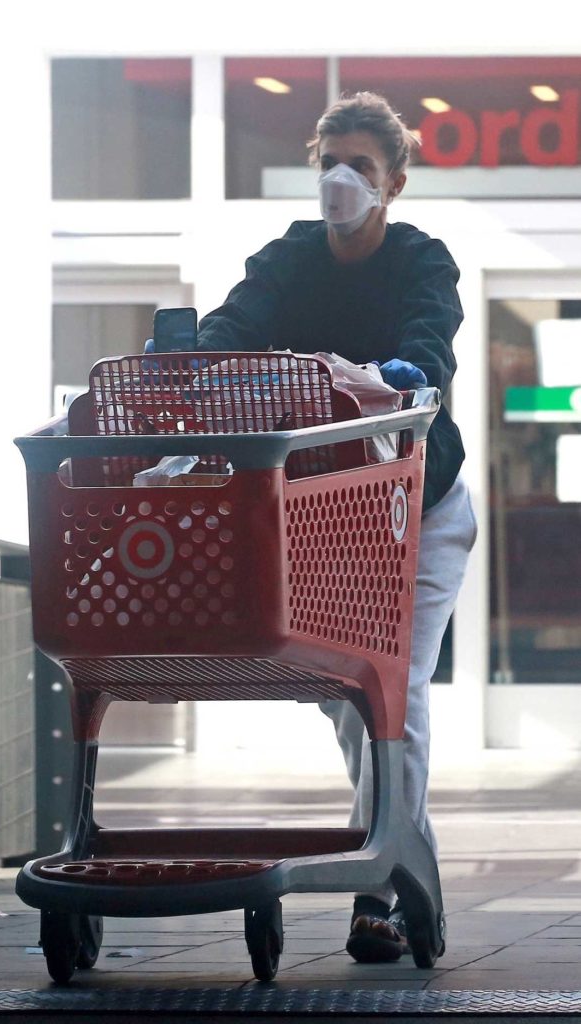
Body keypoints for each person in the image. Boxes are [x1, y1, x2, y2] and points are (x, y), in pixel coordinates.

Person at [191, 91, 477, 963]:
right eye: (328, 163)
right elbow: (238, 320)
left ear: (393, 181)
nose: (340, 180)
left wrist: (410, 374)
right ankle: (402, 867)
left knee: (396, 694)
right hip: (322, 515)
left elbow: (432, 334)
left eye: (359, 165)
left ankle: (379, 893)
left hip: (414, 505)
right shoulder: (288, 259)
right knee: (347, 699)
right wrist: (200, 357)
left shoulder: (421, 259)